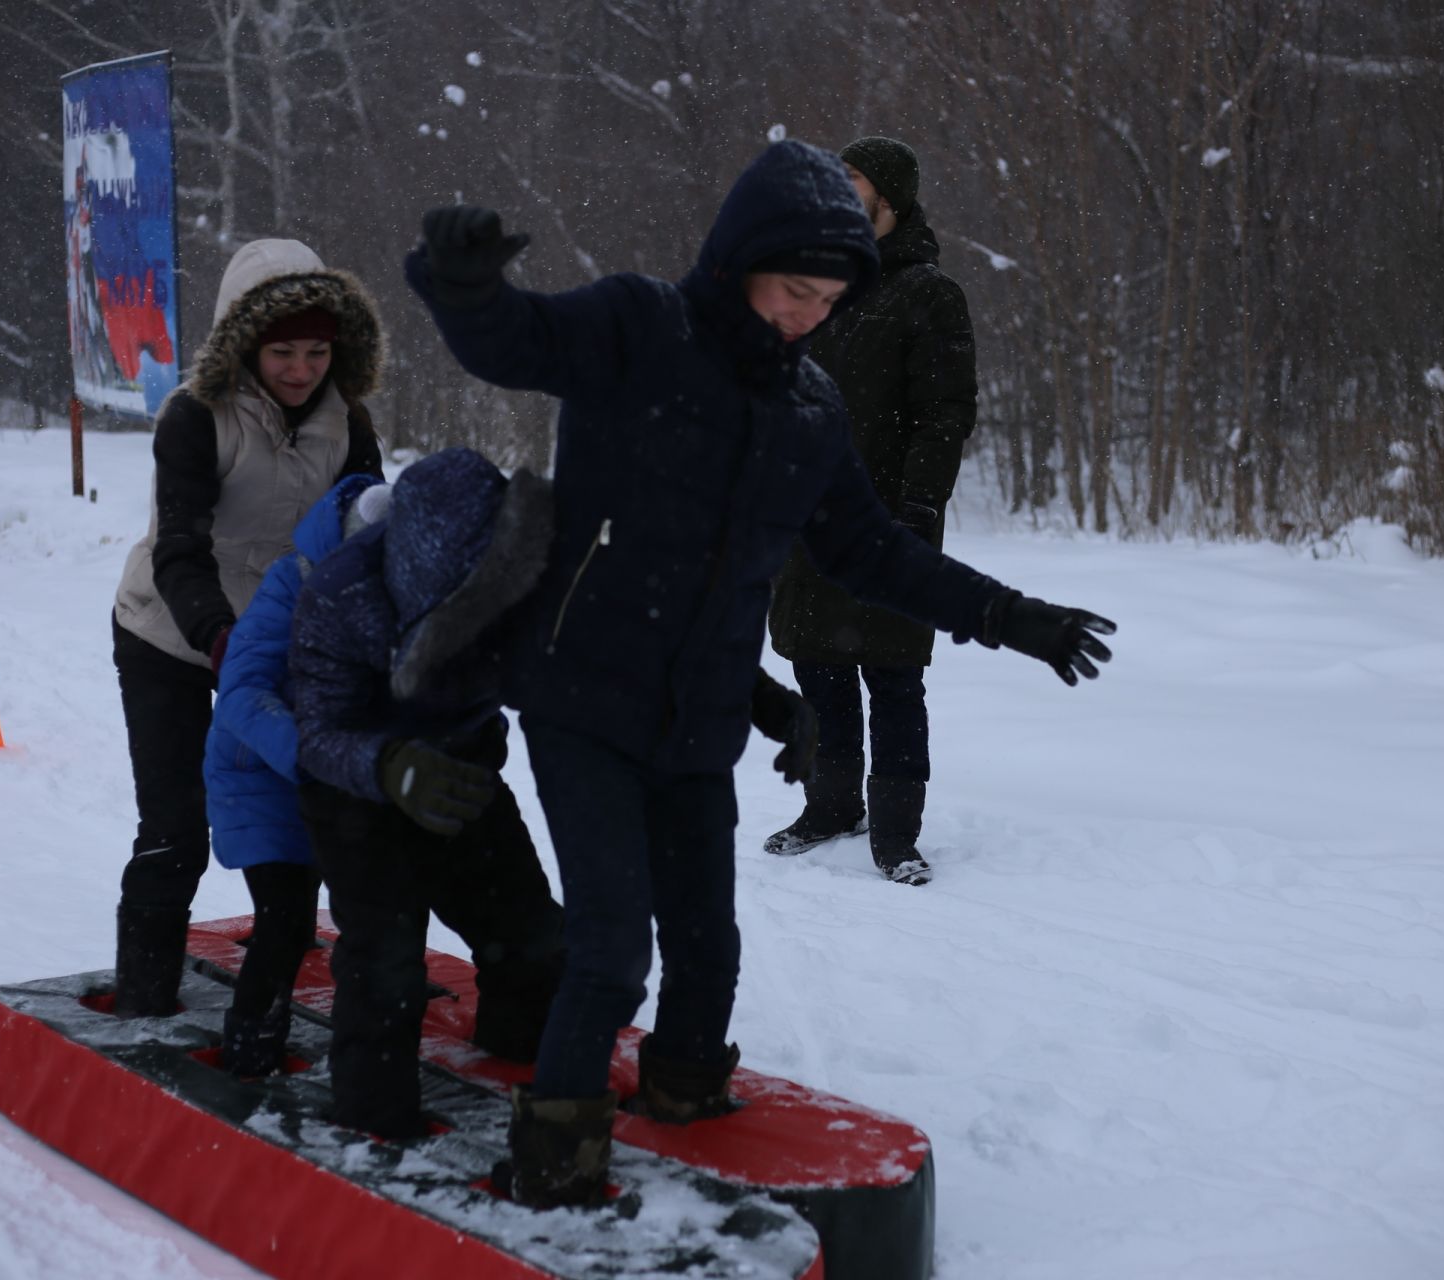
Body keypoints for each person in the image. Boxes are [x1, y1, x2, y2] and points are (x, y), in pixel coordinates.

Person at [402, 139, 1116, 1208]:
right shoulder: (642, 328)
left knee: (709, 944)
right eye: (794, 289)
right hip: (583, 694)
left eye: (828, 298)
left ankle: (685, 1094)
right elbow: (515, 340)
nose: (807, 315)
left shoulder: (811, 410)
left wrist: (1009, 616)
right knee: (610, 951)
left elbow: (875, 552)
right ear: (740, 259)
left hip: (697, 719)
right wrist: (464, 280)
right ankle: (552, 1163)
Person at [109, 238, 384, 1018]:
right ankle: (142, 1001)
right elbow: (180, 548)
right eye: (282, 352)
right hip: (169, 635)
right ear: (244, 342)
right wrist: (222, 638)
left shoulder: (346, 424)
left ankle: (280, 986)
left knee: (296, 819)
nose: (301, 369)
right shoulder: (195, 417)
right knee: (177, 826)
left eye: (316, 352)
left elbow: (365, 539)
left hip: (280, 646)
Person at [287, 447, 569, 1140]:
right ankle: (373, 1126)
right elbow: (316, 733)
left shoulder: (532, 580)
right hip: (360, 793)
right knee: (385, 973)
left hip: (463, 770)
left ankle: (517, 1058)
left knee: (533, 940)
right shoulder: (340, 594)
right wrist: (390, 768)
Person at [767, 136, 978, 886]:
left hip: (888, 516)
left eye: (849, 179)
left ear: (886, 196)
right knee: (817, 666)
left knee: (891, 675)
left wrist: (920, 504)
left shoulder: (928, 294)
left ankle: (895, 832)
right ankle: (830, 808)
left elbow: (944, 413)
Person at [202, 472, 391, 1076]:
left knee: (362, 910)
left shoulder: (391, 595)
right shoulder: (292, 583)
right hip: (258, 773)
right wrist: (314, 758)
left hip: (330, 779)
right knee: (284, 919)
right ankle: (250, 1049)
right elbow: (241, 691)